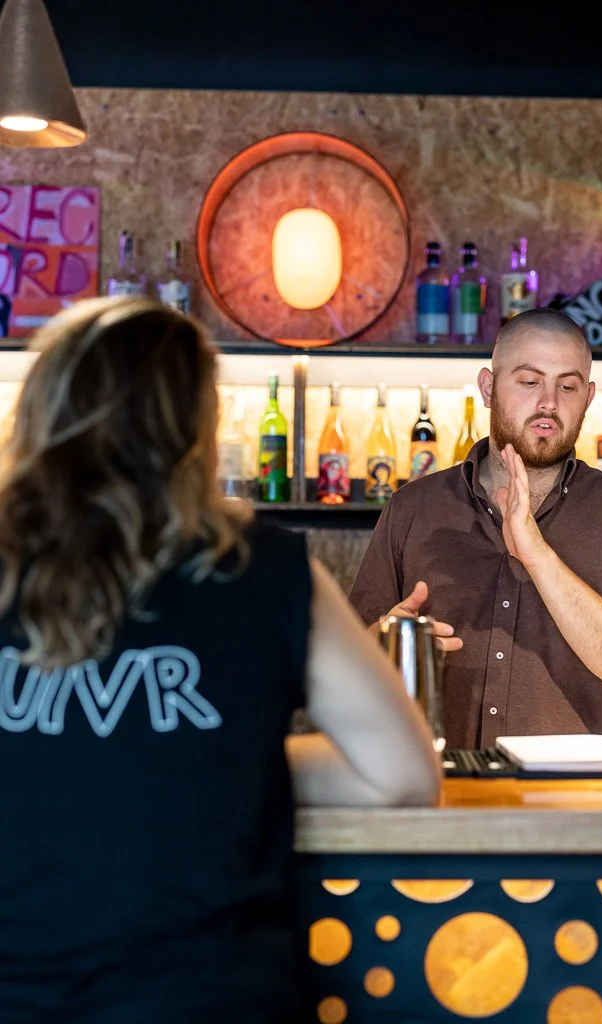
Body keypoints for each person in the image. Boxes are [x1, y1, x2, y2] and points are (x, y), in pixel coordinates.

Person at [0, 296, 440, 1024]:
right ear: (196, 427)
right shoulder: (259, 567)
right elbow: (399, 776)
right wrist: (216, 755)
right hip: (207, 996)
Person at [350, 307, 602, 749]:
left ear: (587, 397)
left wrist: (537, 554)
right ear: (488, 388)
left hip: (566, 803)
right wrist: (382, 647)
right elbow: (342, 674)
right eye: (529, 382)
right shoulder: (413, 508)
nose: (549, 401)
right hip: (437, 793)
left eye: (567, 386)